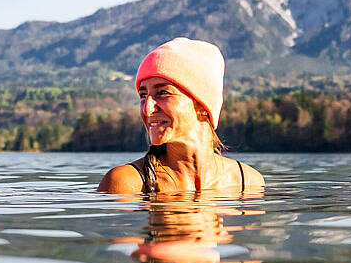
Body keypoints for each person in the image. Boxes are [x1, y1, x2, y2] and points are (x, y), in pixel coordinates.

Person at [98, 38, 264, 194]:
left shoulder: (248, 182)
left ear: (202, 105)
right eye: (143, 95)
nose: (147, 109)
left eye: (163, 92)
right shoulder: (125, 184)